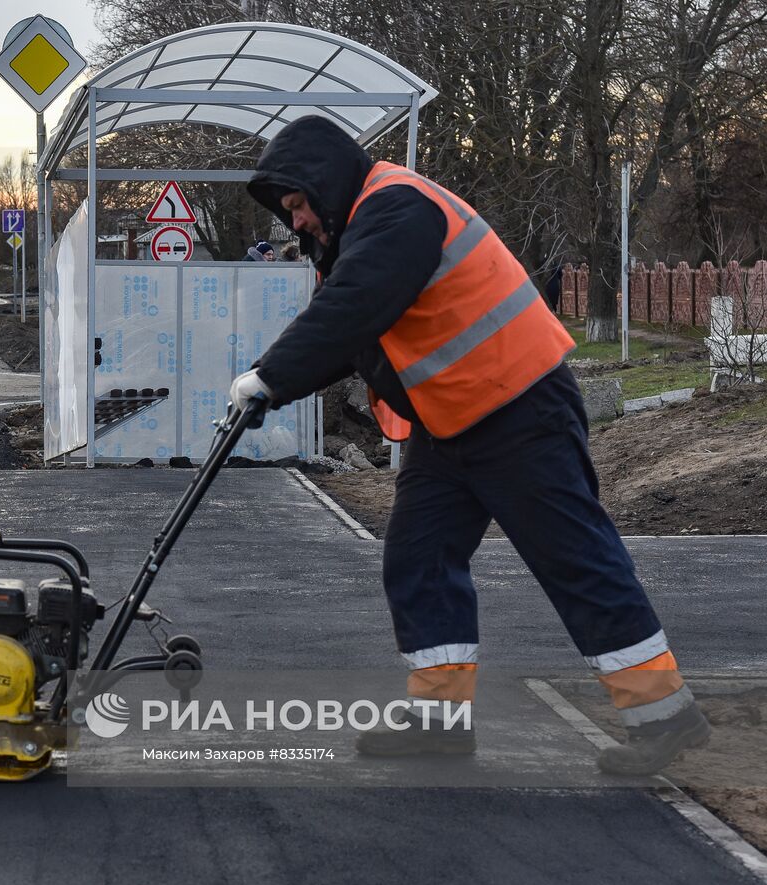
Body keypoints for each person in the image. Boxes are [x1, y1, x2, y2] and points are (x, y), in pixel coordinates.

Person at [229, 116, 708, 775]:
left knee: (574, 559)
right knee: (418, 557)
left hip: (518, 408)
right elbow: (356, 332)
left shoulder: (396, 207)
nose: (298, 221)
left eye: (298, 204)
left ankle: (663, 714)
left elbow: (354, 307)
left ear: (325, 181)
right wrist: (273, 384)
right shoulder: (365, 230)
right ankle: (439, 720)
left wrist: (270, 376)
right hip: (452, 421)